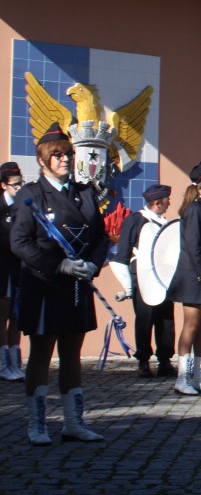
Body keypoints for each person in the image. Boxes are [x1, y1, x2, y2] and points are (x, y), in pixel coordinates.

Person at [11, 123, 110, 444]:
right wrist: (60, 265)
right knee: (41, 355)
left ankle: (72, 422)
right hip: (44, 286)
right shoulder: (31, 195)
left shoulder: (85, 193)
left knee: (72, 355)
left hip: (77, 285)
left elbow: (100, 237)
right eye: (58, 155)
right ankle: (37, 424)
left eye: (68, 153)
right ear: (43, 161)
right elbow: (21, 243)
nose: (65, 159)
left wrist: (93, 263)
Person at [110, 183, 176, 379]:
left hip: (163, 277)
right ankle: (143, 361)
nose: (169, 203)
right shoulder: (136, 220)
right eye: (166, 201)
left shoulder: (164, 223)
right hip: (142, 277)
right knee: (145, 320)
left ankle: (165, 360)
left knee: (166, 320)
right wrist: (127, 284)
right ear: (156, 203)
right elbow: (123, 253)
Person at [168, 159, 201, 395]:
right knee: (190, 326)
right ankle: (182, 378)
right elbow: (194, 247)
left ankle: (200, 376)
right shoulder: (193, 209)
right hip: (192, 276)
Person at [0, 161, 26, 381]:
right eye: (15, 185)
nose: (19, 188)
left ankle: (15, 361)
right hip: (2, 268)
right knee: (2, 315)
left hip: (20, 267)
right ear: (3, 185)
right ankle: (3, 364)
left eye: (21, 184)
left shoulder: (23, 207)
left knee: (17, 315)